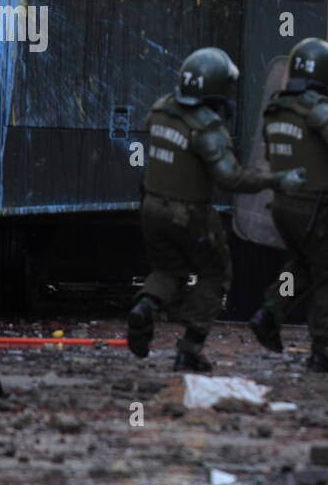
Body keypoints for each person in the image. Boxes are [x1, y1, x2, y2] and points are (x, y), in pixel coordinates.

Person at [126, 48, 305, 372]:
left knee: (169, 271)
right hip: (188, 214)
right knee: (214, 275)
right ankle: (190, 349)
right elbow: (230, 178)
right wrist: (278, 179)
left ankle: (145, 306)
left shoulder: (162, 109)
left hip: (152, 207)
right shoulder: (208, 128)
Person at [248, 38, 328, 376]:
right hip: (316, 208)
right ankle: (323, 351)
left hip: (284, 205)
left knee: (303, 264)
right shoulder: (318, 110)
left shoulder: (277, 109)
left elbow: (271, 156)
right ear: (326, 76)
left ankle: (269, 311)